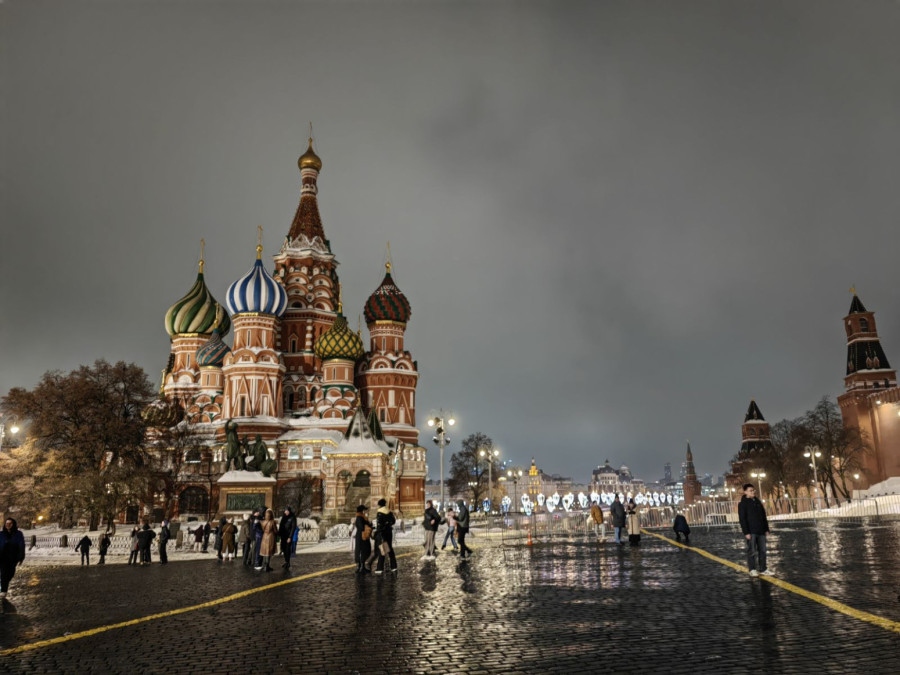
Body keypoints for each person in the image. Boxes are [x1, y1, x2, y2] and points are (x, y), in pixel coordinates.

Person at [738, 483, 771, 577]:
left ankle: (763, 569)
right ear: (745, 492)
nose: (753, 492)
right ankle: (752, 569)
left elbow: (763, 516)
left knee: (763, 551)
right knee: (752, 551)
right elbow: (742, 519)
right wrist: (746, 532)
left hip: (761, 530)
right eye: (750, 491)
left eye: (753, 490)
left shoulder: (757, 501)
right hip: (751, 531)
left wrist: (766, 529)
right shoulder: (743, 504)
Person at [0, 517, 26, 599]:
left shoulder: (18, 534)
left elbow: (21, 545)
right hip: (2, 556)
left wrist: (21, 557)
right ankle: (3, 590)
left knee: (11, 573)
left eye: (10, 523)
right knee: (4, 573)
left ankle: (4, 583)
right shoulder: (1, 534)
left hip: (13, 557)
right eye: (7, 523)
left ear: (13, 524)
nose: (8, 525)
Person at [375, 498, 397, 574]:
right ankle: (394, 566)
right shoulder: (389, 512)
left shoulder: (379, 513)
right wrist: (388, 524)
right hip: (389, 532)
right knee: (390, 548)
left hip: (382, 533)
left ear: (379, 505)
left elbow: (379, 525)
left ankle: (379, 568)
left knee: (383, 550)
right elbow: (393, 521)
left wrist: (379, 533)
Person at [353, 505, 373, 573]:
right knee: (364, 551)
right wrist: (368, 525)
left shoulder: (362, 517)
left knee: (363, 551)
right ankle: (361, 567)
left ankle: (361, 567)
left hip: (362, 536)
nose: (366, 511)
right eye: (365, 510)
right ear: (362, 511)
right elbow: (361, 527)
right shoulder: (360, 517)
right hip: (362, 537)